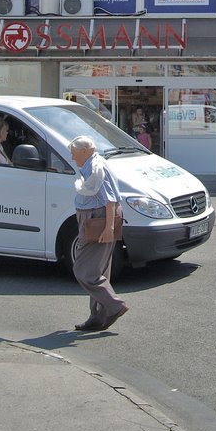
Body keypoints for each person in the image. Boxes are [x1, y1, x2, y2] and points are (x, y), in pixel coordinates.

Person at [69, 135, 129, 332]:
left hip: (97, 222)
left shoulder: (96, 169)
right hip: (95, 221)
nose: (72, 157)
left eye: (74, 152)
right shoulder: (91, 165)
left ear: (85, 151)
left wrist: (109, 228)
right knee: (99, 271)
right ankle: (98, 316)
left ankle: (114, 305)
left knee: (84, 271)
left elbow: (110, 200)